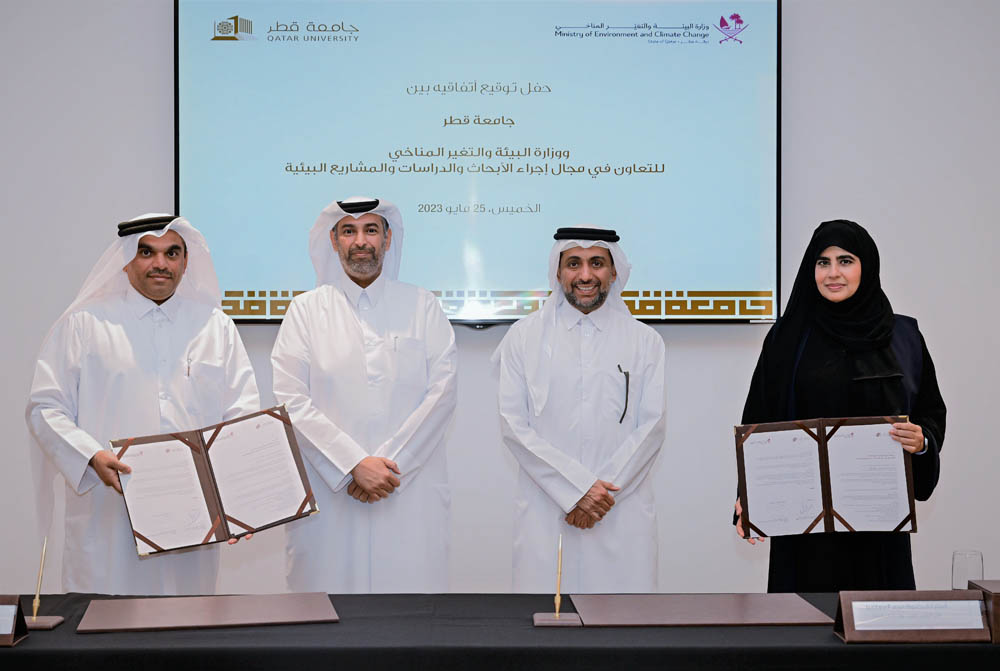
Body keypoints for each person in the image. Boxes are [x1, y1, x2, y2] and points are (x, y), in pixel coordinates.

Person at [26, 214, 260, 594]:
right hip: (109, 515)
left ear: (186, 262)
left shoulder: (215, 326)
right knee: (107, 639)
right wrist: (90, 457)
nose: (160, 264)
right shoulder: (85, 324)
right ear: (126, 259)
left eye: (172, 253)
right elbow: (45, 407)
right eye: (146, 252)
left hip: (195, 519)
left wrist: (243, 500)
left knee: (187, 633)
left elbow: (242, 415)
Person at [736, 219, 945, 592]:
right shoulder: (786, 337)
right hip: (803, 527)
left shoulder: (903, 336)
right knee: (803, 634)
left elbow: (930, 412)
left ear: (867, 266)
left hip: (879, 524)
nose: (833, 273)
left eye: (845, 260)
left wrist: (923, 440)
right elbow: (758, 419)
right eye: (823, 262)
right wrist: (749, 497)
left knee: (878, 636)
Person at [272, 196, 457, 593]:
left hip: (407, 491)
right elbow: (291, 400)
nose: (361, 241)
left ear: (387, 240)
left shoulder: (423, 306)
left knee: (411, 619)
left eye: (371, 230)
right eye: (349, 231)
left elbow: (442, 393)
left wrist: (386, 469)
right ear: (334, 242)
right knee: (325, 616)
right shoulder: (304, 311)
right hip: (331, 493)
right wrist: (352, 463)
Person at [493, 227, 666, 593]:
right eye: (574, 263)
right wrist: (575, 490)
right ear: (558, 272)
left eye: (597, 263)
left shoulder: (645, 341)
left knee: (624, 632)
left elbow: (651, 428)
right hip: (546, 511)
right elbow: (514, 426)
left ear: (614, 272)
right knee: (545, 631)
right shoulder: (523, 338)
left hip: (620, 511)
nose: (585, 275)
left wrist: (597, 497)